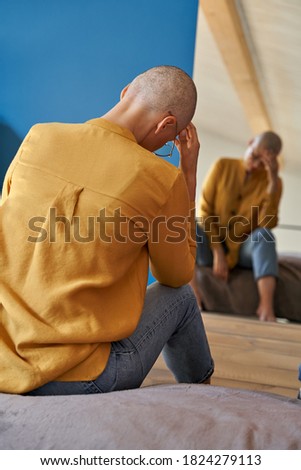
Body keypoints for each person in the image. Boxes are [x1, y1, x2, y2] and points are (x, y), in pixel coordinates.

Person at [0, 65, 214, 395]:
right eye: (169, 140)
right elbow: (176, 275)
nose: (163, 146)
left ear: (125, 92)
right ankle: (206, 397)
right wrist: (186, 174)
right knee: (182, 298)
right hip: (77, 376)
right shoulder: (160, 177)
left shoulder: (39, 136)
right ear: (167, 125)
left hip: (5, 359)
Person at [195, 131, 283, 322]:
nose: (256, 165)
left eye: (263, 163)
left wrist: (273, 182)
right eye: (254, 157)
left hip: (242, 251)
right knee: (187, 224)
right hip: (210, 246)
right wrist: (217, 251)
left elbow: (267, 224)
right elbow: (204, 210)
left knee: (265, 236)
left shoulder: (274, 183)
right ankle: (193, 299)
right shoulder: (222, 166)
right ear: (250, 143)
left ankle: (266, 308)